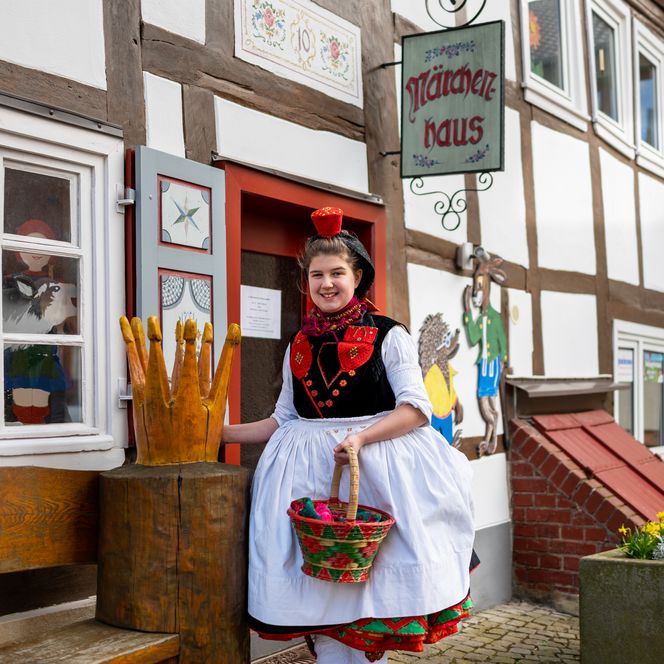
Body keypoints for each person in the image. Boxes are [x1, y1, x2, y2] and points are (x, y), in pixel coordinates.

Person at [223, 207, 476, 663]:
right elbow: (283, 418)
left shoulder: (389, 335)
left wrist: (361, 439)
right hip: (308, 484)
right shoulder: (299, 343)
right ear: (306, 281)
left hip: (376, 480)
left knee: (370, 599)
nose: (326, 283)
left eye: (337, 273)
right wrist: (218, 433)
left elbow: (416, 409)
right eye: (316, 274)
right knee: (323, 603)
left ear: (357, 276)